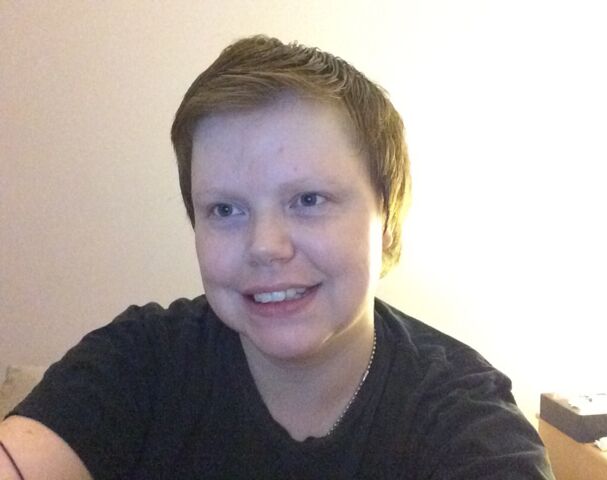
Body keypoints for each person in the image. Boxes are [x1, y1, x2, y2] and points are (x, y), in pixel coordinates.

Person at [0, 35, 555, 479]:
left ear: (385, 219)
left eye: (308, 200)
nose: (265, 246)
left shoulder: (465, 420)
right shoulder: (138, 364)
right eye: (225, 209)